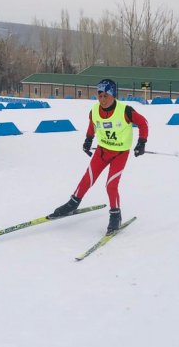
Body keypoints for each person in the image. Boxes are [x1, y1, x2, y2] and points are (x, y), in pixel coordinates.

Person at [48, 78, 149, 233]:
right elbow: (92, 125)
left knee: (111, 185)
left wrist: (141, 142)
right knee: (87, 178)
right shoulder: (94, 111)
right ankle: (72, 204)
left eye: (105, 96)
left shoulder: (125, 110)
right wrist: (88, 141)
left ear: (113, 95)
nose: (102, 100)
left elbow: (143, 123)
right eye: (99, 96)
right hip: (102, 151)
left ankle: (115, 215)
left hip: (120, 154)